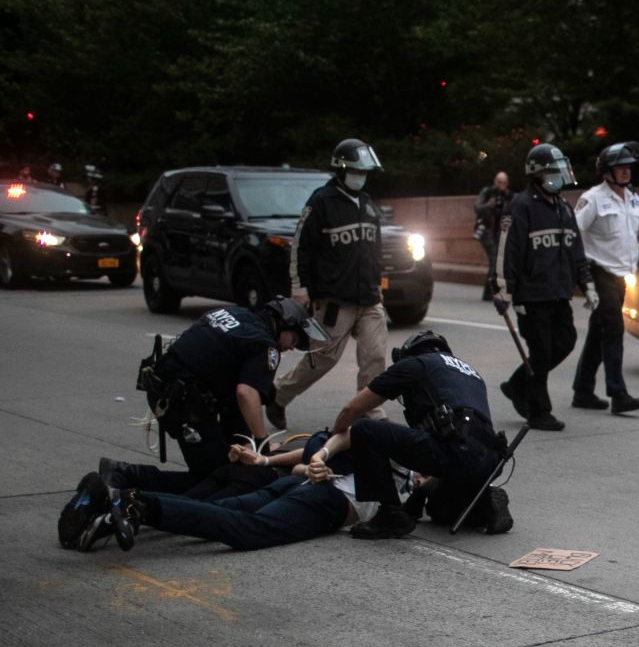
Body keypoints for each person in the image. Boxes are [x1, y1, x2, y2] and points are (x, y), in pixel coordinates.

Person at [310, 330, 514, 539]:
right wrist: (420, 494)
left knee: (365, 428)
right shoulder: (471, 373)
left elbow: (351, 410)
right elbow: (458, 438)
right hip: (489, 460)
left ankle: (388, 514)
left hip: (456, 453)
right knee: (439, 510)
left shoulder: (416, 364)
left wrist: (332, 440)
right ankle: (482, 504)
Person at [123, 297, 326, 496]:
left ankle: (128, 480)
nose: (291, 347)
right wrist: (262, 444)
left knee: (219, 467)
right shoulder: (265, 345)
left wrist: (243, 438)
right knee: (216, 477)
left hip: (167, 391)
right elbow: (246, 393)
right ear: (284, 323)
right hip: (183, 404)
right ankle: (128, 483)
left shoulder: (235, 313)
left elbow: (229, 386)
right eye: (294, 339)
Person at [59, 432, 370, 553]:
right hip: (324, 499)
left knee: (217, 510)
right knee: (247, 530)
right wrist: (320, 458)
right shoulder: (404, 451)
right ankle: (134, 503)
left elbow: (309, 464)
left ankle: (107, 505)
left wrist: (276, 460)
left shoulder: (394, 455)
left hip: (298, 484)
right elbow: (349, 433)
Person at [268, 138, 389, 430]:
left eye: (365, 172)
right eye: (358, 171)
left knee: (375, 357)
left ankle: (368, 412)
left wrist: (378, 283)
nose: (362, 177)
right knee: (323, 359)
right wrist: (300, 288)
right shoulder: (321, 202)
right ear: (342, 169)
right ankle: (278, 396)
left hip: (369, 298)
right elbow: (301, 247)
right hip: (335, 299)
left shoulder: (368, 204)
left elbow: (374, 250)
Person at [490, 143, 596, 431]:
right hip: (532, 295)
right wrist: (502, 289)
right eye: (554, 172)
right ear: (538, 174)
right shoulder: (520, 207)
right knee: (541, 351)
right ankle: (538, 411)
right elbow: (506, 252)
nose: (559, 177)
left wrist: (586, 283)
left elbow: (576, 250)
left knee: (565, 341)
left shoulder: (563, 207)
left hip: (558, 292)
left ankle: (516, 384)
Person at [570, 141, 639, 414]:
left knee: (598, 332)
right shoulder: (593, 198)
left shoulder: (632, 197)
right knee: (614, 329)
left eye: (628, 166)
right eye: (620, 167)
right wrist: (579, 269)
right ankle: (618, 393)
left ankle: (582, 391)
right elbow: (572, 231)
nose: (626, 171)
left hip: (621, 275)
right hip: (598, 273)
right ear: (606, 171)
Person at [474, 171, 511, 300]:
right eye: (499, 182)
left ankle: (492, 290)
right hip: (486, 230)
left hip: (499, 231)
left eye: (504, 183)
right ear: (495, 181)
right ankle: (489, 292)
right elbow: (477, 207)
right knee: (494, 259)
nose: (501, 185)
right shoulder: (487, 192)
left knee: (498, 260)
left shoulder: (508, 196)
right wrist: (489, 205)